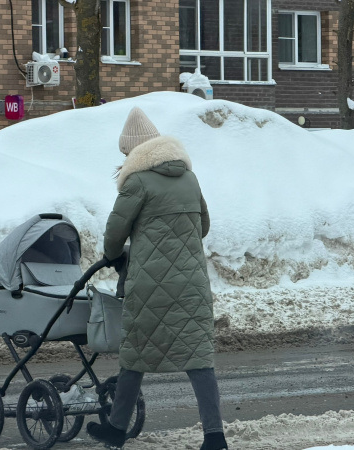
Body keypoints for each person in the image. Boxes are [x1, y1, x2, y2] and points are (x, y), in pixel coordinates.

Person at [86, 107, 227, 450]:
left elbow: (114, 234)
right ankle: (214, 437)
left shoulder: (136, 182)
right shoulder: (189, 178)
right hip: (192, 283)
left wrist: (116, 253)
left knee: (134, 355)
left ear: (134, 151)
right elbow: (203, 226)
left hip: (149, 284)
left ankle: (118, 428)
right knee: (198, 359)